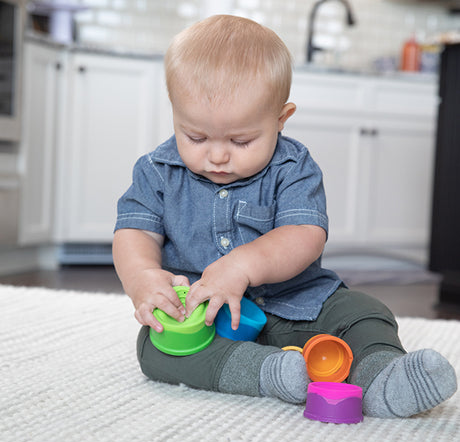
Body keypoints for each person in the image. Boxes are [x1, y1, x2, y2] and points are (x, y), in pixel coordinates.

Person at [112, 15, 456, 418]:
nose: (218, 155)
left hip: (298, 304)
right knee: (154, 350)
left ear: (281, 119)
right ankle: (266, 373)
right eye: (196, 136)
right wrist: (143, 279)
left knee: (364, 311)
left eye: (241, 140)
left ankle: (382, 376)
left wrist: (241, 266)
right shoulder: (156, 171)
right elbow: (135, 233)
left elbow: (304, 234)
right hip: (206, 320)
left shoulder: (293, 166)